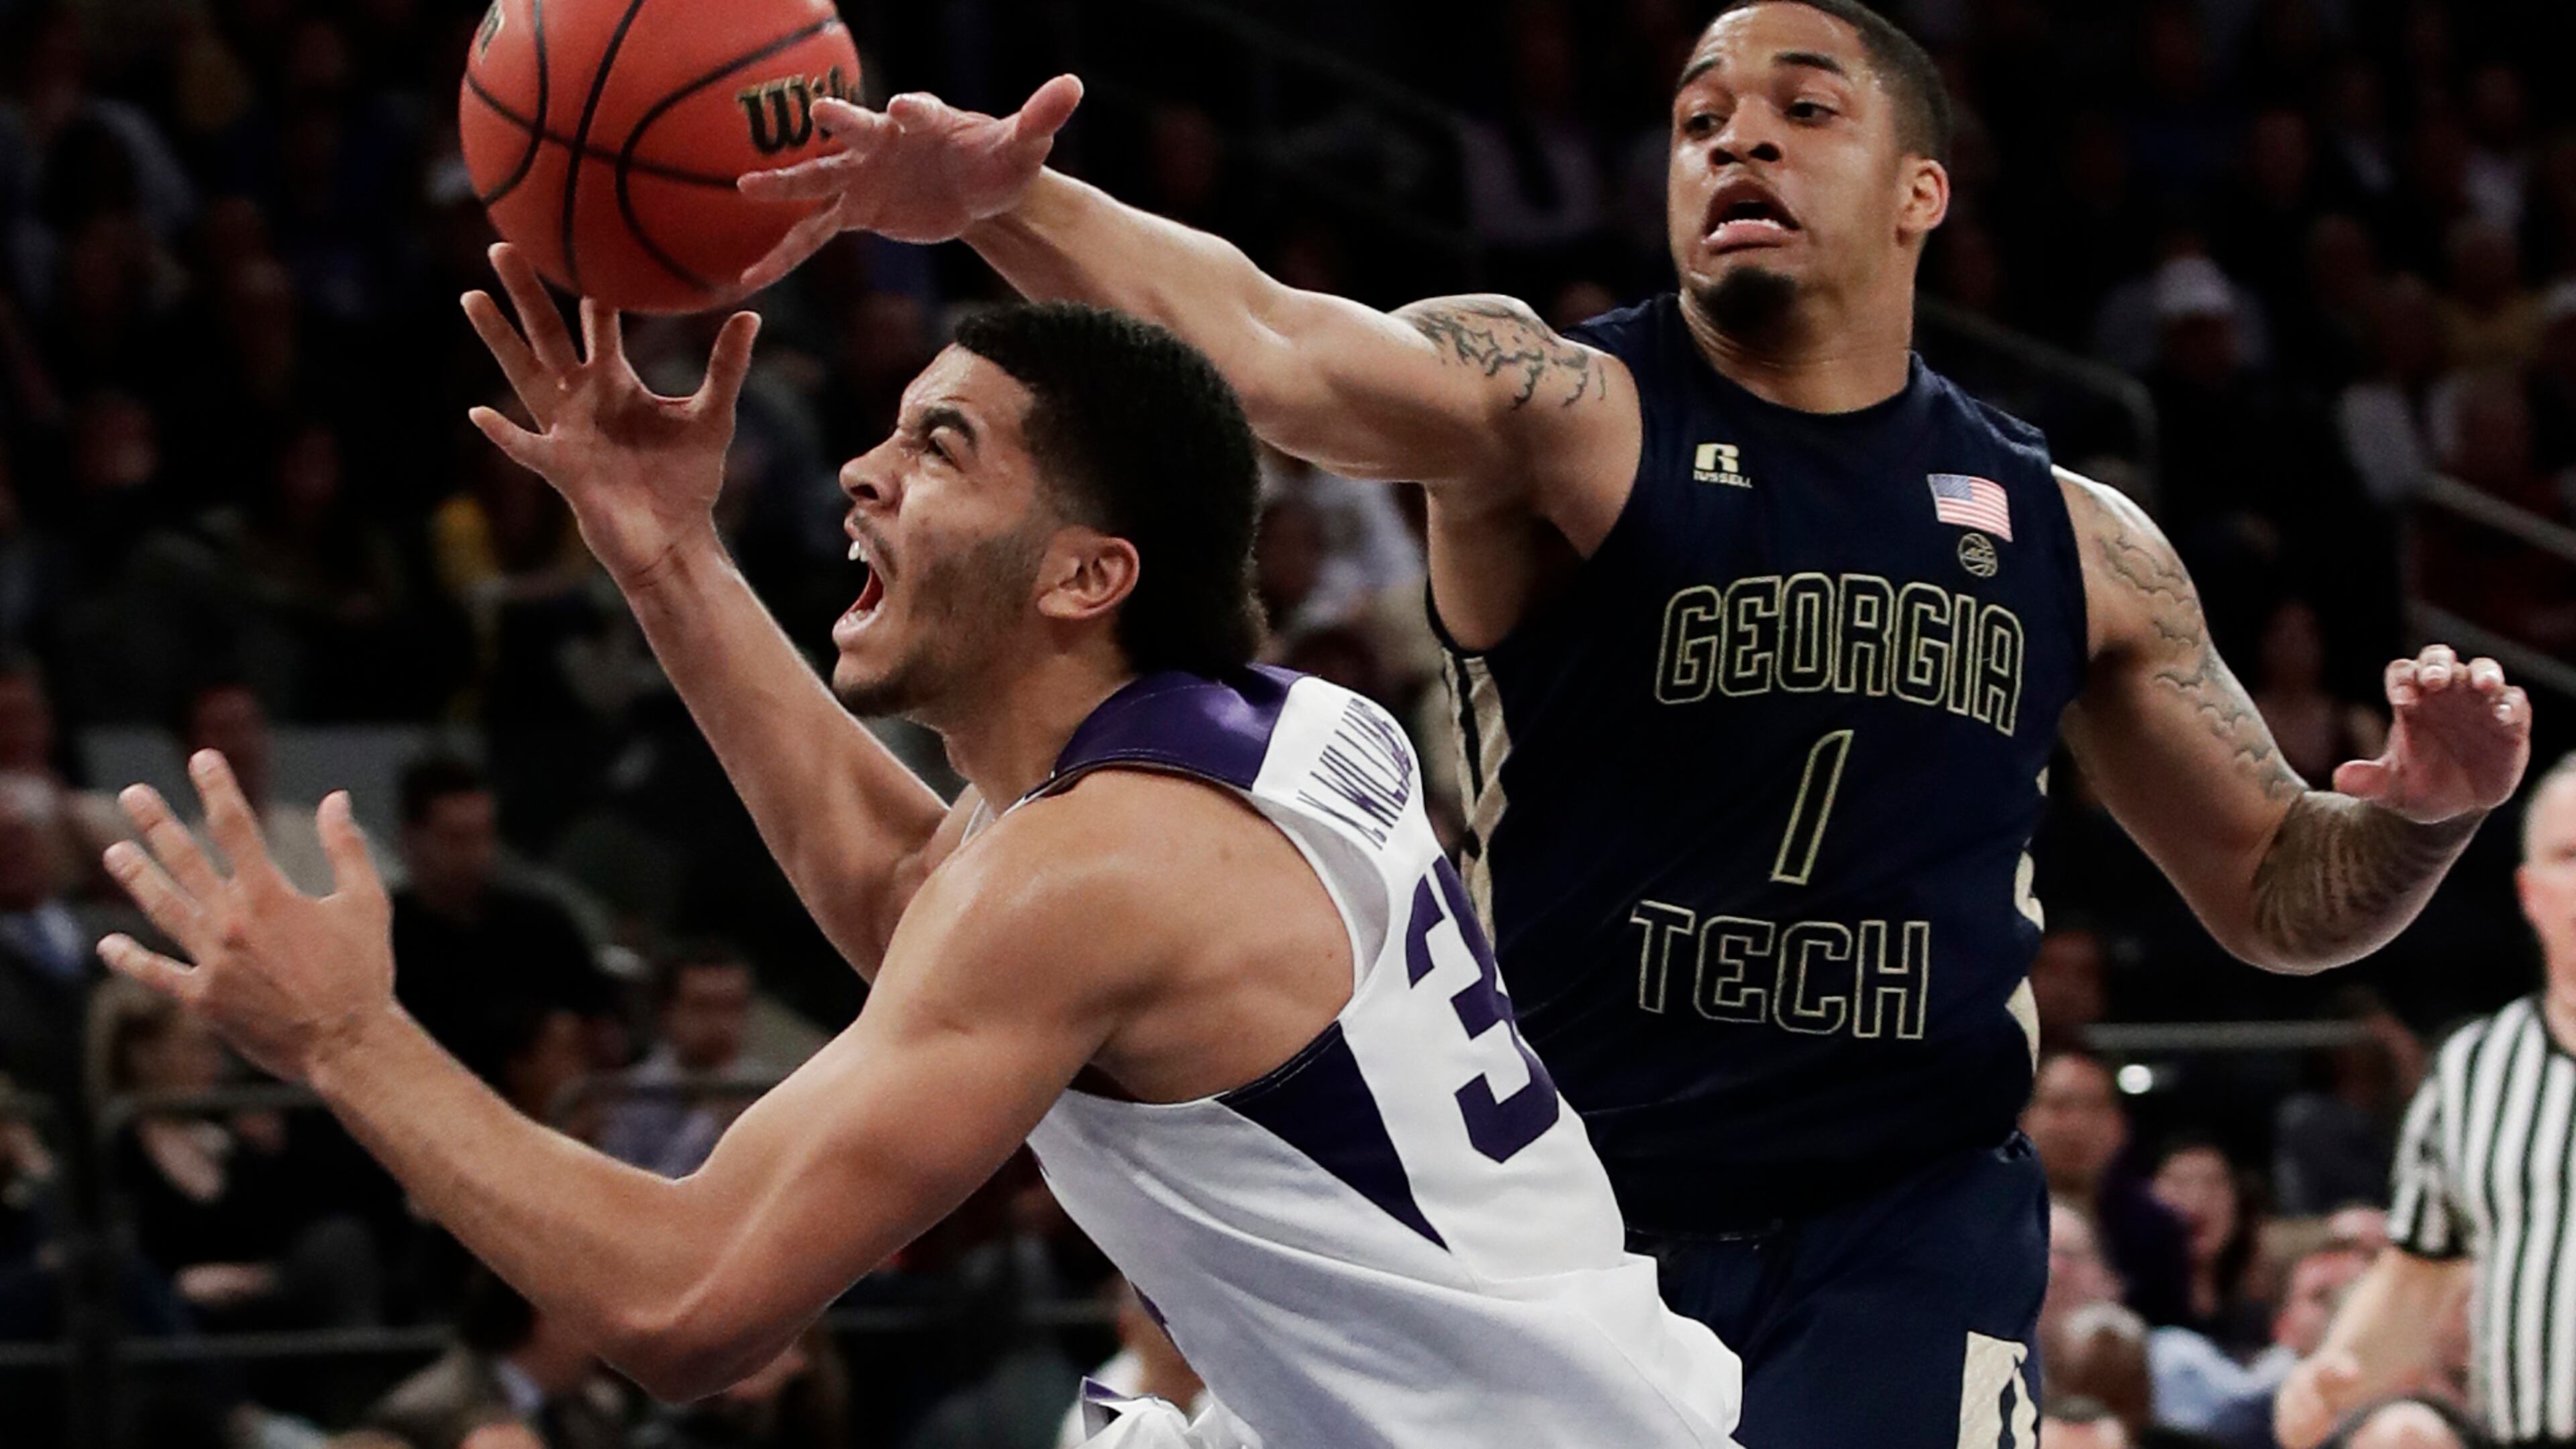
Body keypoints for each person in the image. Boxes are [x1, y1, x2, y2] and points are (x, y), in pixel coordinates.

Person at [735, 2, 2534, 1440]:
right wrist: (1001, 198)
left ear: (1924, 190)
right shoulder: (1563, 409)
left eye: (1803, 106)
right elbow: (1280, 351)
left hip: (1908, 1226)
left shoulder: (2081, 543)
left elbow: (2289, 900)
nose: (1733, 134)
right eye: (1694, 117)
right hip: (1577, 1225)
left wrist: (2429, 816)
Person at [92, 278, 1743, 1449]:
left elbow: (690, 1306)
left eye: (942, 447)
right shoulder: (1266, 724)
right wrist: (666, 552)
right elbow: (915, 906)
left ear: (1087, 574)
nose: (864, 472)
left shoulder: (1103, 867)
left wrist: (342, 1038)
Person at [2276, 753, 2576, 1449]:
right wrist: (2331, 1375)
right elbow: (2417, 1273)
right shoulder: (2476, 1067)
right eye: (2571, 855)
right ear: (2531, 894)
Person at [386, 755, 617, 1082]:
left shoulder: (541, 925)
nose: (476, 855)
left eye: (484, 836)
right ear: (411, 841)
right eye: (457, 839)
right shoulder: (384, 933)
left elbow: (600, 1030)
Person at [364, 1270, 627, 1449]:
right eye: (591, 1320)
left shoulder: (599, 1407)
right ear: (544, 1315)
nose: (604, 1339)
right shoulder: (421, 1413)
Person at [2026, 1049, 2195, 1326]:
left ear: (2120, 1126)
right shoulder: (1989, 1218)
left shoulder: (2156, 1228)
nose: (2076, 1126)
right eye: (2060, 1106)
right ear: (2025, 1119)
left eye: (2093, 1107)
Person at [598, 943, 776, 1177]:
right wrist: (708, 1123)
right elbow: (636, 1193)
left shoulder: (769, 1094)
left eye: (733, 1007)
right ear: (667, 1013)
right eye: (702, 1006)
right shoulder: (634, 1092)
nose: (720, 1024)